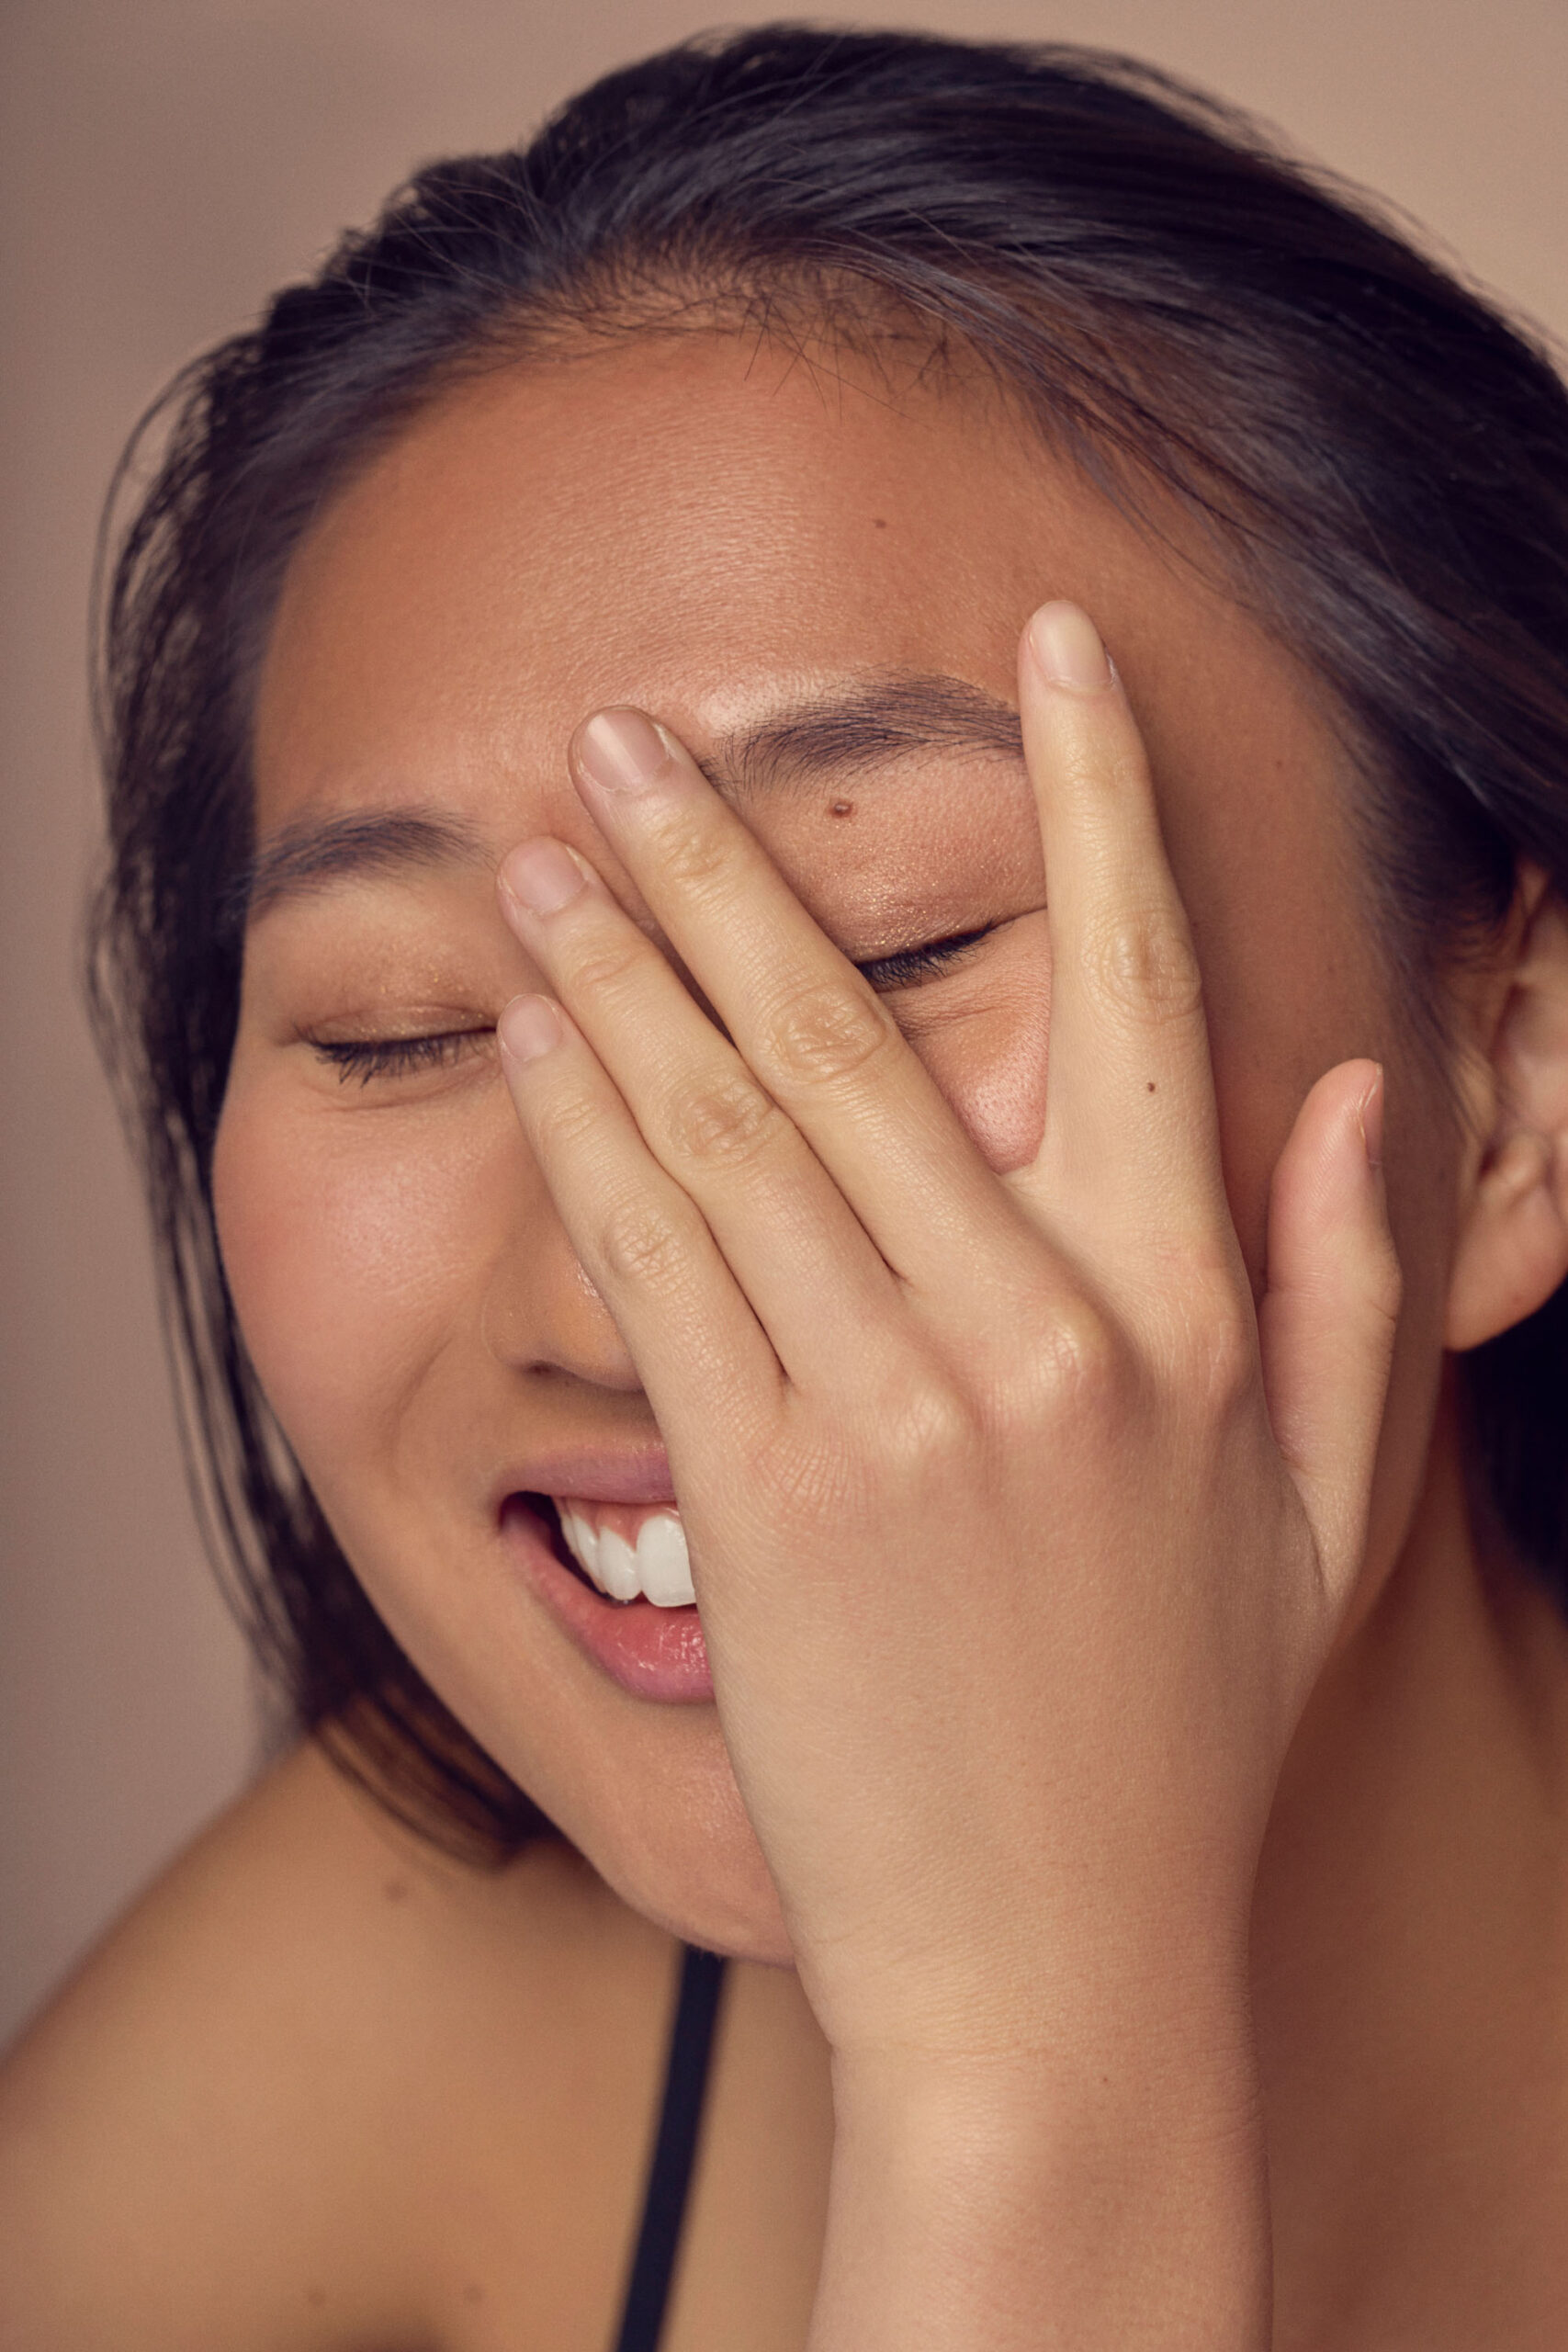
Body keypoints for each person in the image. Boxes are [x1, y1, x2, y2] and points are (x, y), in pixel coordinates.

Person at [3, 23, 1566, 2347]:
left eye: (891, 948)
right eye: (394, 1026)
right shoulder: (307, 2090)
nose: (622, 1287)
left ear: (1515, 1081)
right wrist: (1021, 2087)